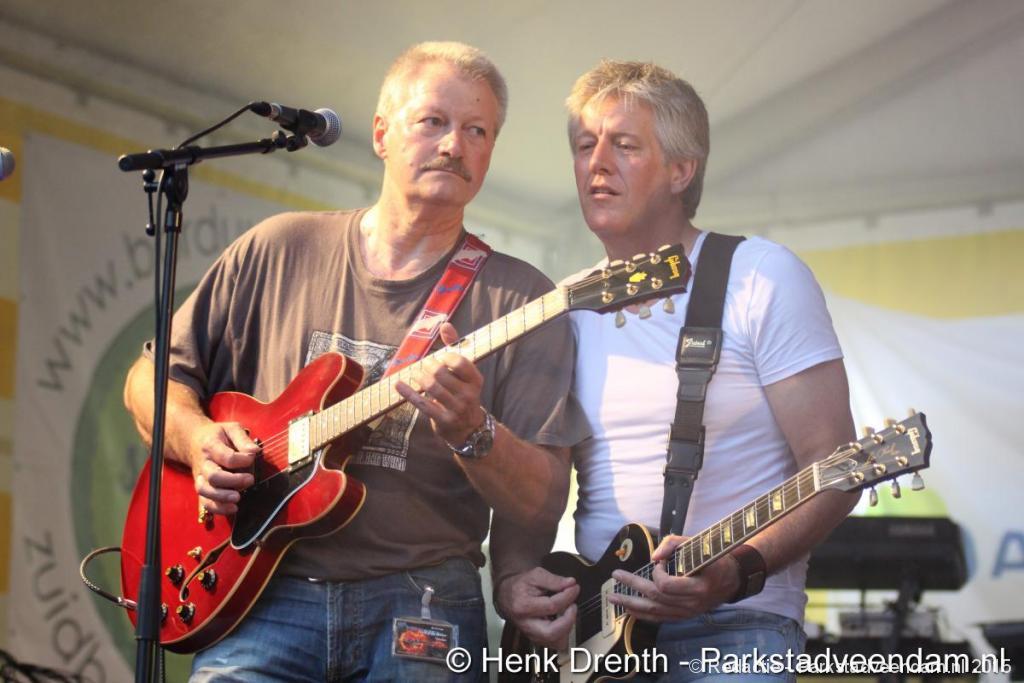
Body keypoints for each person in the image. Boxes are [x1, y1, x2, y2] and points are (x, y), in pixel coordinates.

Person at [123, 41, 587, 682]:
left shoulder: (524, 300)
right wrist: (199, 439)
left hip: (423, 599)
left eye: (477, 130)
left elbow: (541, 502)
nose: (455, 144)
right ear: (381, 133)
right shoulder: (279, 248)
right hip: (258, 594)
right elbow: (149, 383)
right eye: (433, 121)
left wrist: (471, 430)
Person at [494, 60, 859, 682]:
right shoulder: (564, 304)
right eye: (584, 145)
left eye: (624, 145)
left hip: (737, 628)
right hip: (593, 635)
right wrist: (509, 576)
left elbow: (838, 466)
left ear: (681, 170)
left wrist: (736, 570)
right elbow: (534, 480)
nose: (596, 163)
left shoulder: (760, 275)